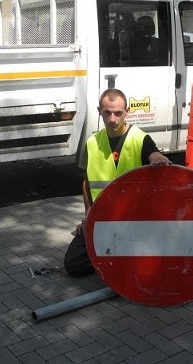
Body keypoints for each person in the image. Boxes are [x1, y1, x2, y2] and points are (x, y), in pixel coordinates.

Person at [64, 88, 171, 277]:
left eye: (118, 113)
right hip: (103, 218)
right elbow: (87, 182)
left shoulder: (140, 138)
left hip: (134, 220)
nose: (112, 119)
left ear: (127, 112)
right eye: (107, 113)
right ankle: (112, 258)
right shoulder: (92, 142)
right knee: (74, 265)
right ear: (99, 111)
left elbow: (152, 152)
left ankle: (120, 258)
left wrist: (157, 157)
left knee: (136, 266)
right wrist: (88, 214)